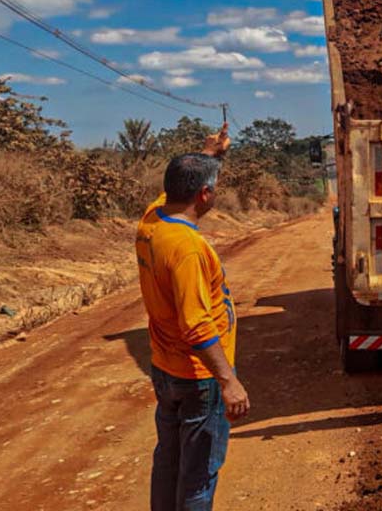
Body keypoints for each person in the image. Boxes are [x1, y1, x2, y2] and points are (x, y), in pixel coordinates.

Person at [135, 123, 250, 510]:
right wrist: (228, 380)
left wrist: (211, 154)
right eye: (212, 187)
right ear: (204, 195)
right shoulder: (187, 249)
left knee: (168, 462)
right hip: (196, 378)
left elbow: (176, 189)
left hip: (164, 368)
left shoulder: (151, 221)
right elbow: (196, 324)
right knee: (199, 475)